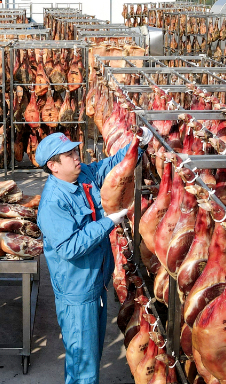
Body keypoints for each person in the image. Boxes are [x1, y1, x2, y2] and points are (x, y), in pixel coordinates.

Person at [36, 128, 152, 384]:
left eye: (75, 151)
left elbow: (111, 166)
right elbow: (70, 247)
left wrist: (137, 146)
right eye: (69, 155)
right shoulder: (53, 203)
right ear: (53, 166)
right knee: (84, 367)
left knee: (89, 358)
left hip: (96, 285)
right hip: (77, 295)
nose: (77, 157)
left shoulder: (84, 174)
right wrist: (108, 222)